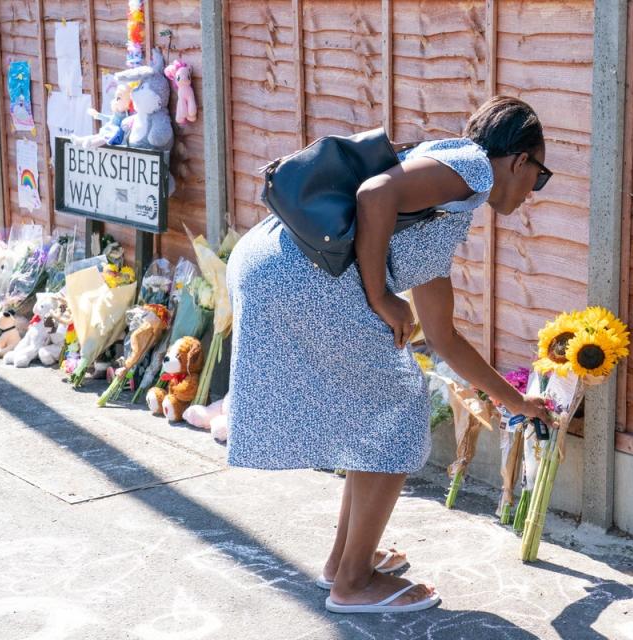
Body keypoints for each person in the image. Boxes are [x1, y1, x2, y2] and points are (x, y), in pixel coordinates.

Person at [226, 96, 555, 614]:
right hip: (301, 276)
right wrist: (380, 296)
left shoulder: (443, 207)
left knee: (380, 411)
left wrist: (518, 403)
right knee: (395, 412)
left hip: (279, 267)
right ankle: (353, 583)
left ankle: (344, 563)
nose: (533, 191)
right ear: (520, 161)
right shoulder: (469, 166)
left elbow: (445, 338)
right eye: (539, 176)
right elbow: (375, 192)